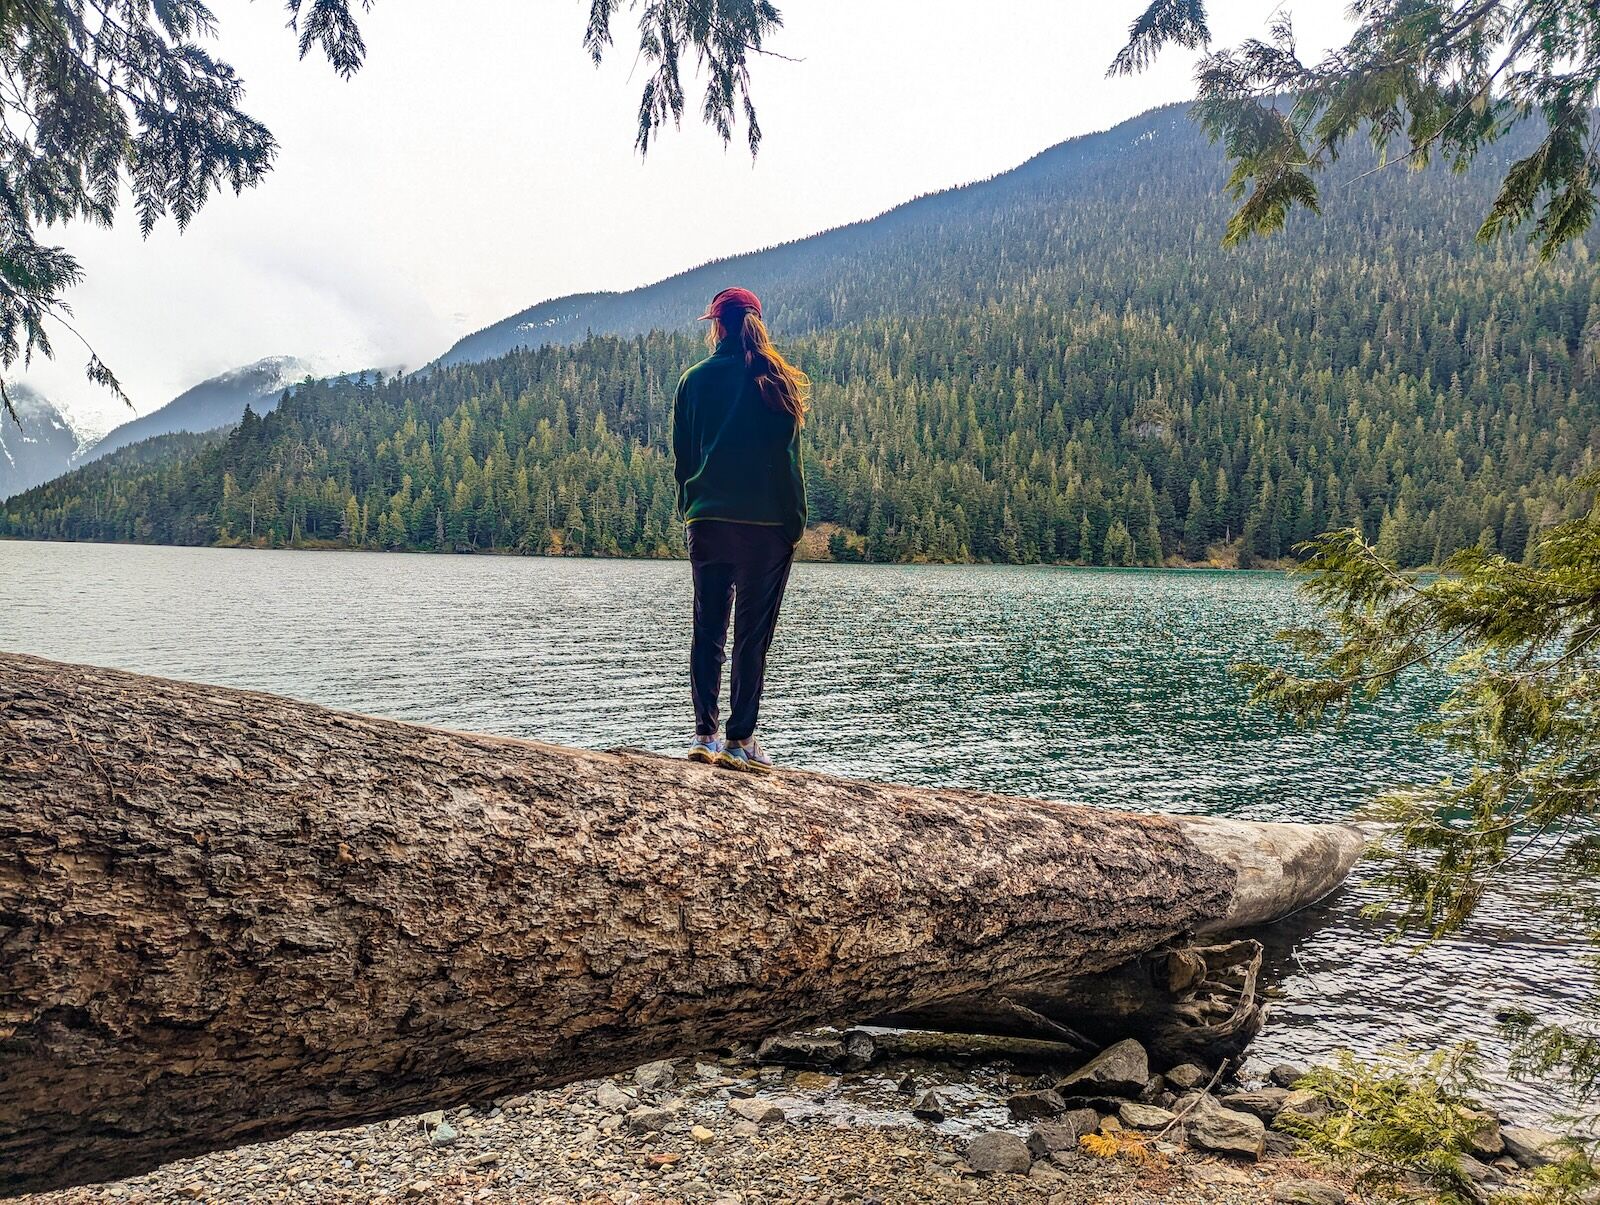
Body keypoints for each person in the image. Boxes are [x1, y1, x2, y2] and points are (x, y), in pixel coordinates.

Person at [673, 287, 809, 773]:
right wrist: (794, 524)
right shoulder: (775, 380)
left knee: (708, 628)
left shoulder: (693, 381)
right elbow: (787, 463)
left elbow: (683, 460)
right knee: (752, 637)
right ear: (756, 322)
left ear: (717, 325)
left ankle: (704, 735)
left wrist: (693, 508)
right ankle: (740, 741)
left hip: (708, 522)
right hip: (766, 526)